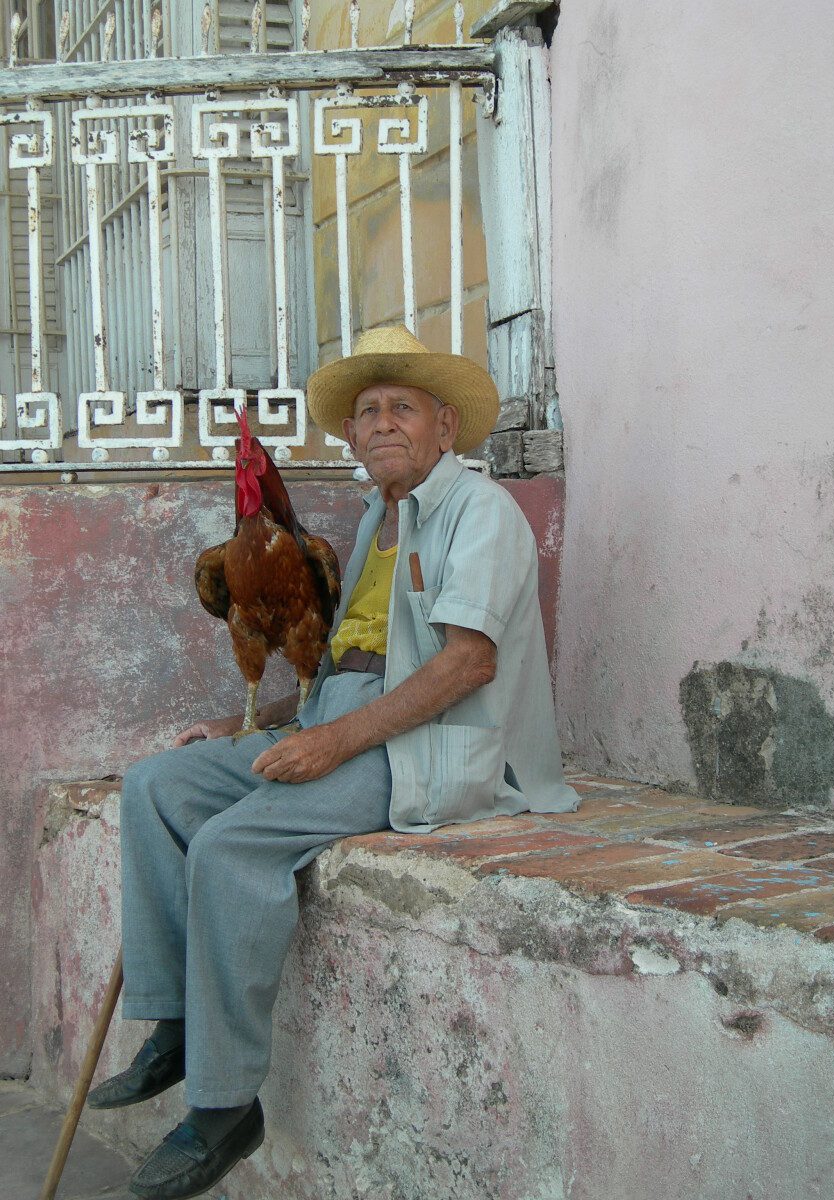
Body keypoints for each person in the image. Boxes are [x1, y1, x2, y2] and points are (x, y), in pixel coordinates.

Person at [87, 325, 578, 1199]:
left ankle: (224, 1107)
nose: (381, 423)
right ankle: (174, 1028)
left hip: (433, 741)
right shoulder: (373, 522)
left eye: (402, 408)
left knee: (233, 846)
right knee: (158, 785)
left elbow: (466, 664)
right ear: (351, 439)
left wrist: (332, 743)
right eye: (367, 414)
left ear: (445, 426)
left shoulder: (481, 513)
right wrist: (264, 722)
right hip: (340, 716)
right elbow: (348, 659)